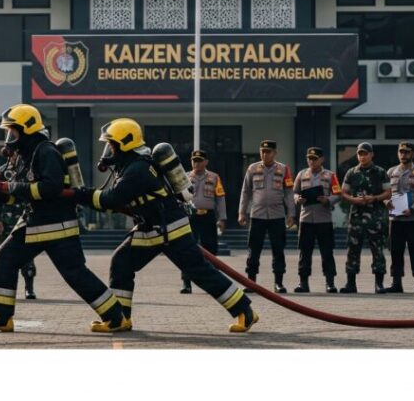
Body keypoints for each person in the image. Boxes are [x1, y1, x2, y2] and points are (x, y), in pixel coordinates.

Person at [72, 118, 258, 333]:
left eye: (112, 145)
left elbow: (112, 199)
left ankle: (245, 311)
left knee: (199, 271)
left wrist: (80, 194)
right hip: (151, 228)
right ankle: (121, 318)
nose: (109, 150)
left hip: (170, 229)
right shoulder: (130, 167)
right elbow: (120, 202)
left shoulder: (137, 169)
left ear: (125, 144)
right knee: (122, 262)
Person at [0, 104, 128, 332]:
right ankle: (3, 317)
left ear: (27, 130)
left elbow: (50, 188)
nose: (9, 137)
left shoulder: (46, 151)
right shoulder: (25, 156)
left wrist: (12, 186)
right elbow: (22, 195)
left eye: (13, 132)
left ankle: (115, 317)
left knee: (74, 273)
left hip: (56, 224)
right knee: (6, 259)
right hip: (36, 221)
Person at [238, 140, 295, 293]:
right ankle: (251, 282)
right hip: (257, 215)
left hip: (277, 216)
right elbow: (245, 192)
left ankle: (279, 283)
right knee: (254, 250)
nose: (265, 154)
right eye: (263, 151)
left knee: (278, 250)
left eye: (268, 151)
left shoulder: (283, 169)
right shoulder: (252, 168)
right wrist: (242, 212)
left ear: (275, 153)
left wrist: (291, 213)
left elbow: (289, 192)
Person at [339, 142, 391, 294]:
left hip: (376, 217)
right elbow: (343, 192)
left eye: (365, 153)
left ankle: (379, 284)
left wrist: (374, 198)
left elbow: (388, 193)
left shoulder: (380, 172)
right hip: (356, 217)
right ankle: (350, 283)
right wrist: (353, 200)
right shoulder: (351, 172)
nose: (362, 156)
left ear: (371, 154)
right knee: (353, 250)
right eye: (360, 154)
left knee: (378, 250)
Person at [0, 151, 38, 299]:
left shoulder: (30, 169)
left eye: (17, 153)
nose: (15, 156)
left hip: (26, 217)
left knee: (28, 255)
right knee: (5, 256)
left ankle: (29, 289)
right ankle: (4, 291)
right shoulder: (2, 171)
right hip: (7, 220)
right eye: (12, 154)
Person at [292, 147, 341, 293]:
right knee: (304, 252)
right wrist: (298, 199)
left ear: (322, 159)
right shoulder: (301, 174)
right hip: (306, 219)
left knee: (327, 252)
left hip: (323, 219)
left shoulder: (330, 175)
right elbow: (294, 193)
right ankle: (303, 283)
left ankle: (330, 282)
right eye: (309, 158)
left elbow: (338, 193)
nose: (311, 161)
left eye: (314, 158)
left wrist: (328, 199)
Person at [385, 142, 414, 294]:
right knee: (395, 251)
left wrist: (413, 208)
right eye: (401, 151)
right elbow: (385, 193)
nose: (403, 154)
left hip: (413, 219)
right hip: (396, 220)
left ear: (413, 154)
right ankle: (396, 282)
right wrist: (386, 202)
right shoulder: (391, 172)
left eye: (406, 152)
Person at [179, 149, 227, 294]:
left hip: (208, 217)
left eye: (200, 161)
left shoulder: (214, 177)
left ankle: (213, 283)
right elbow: (178, 199)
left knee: (211, 250)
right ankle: (186, 283)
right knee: (187, 250)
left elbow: (220, 198)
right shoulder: (184, 177)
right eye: (194, 160)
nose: (197, 163)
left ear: (206, 162)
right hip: (190, 218)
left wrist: (222, 218)